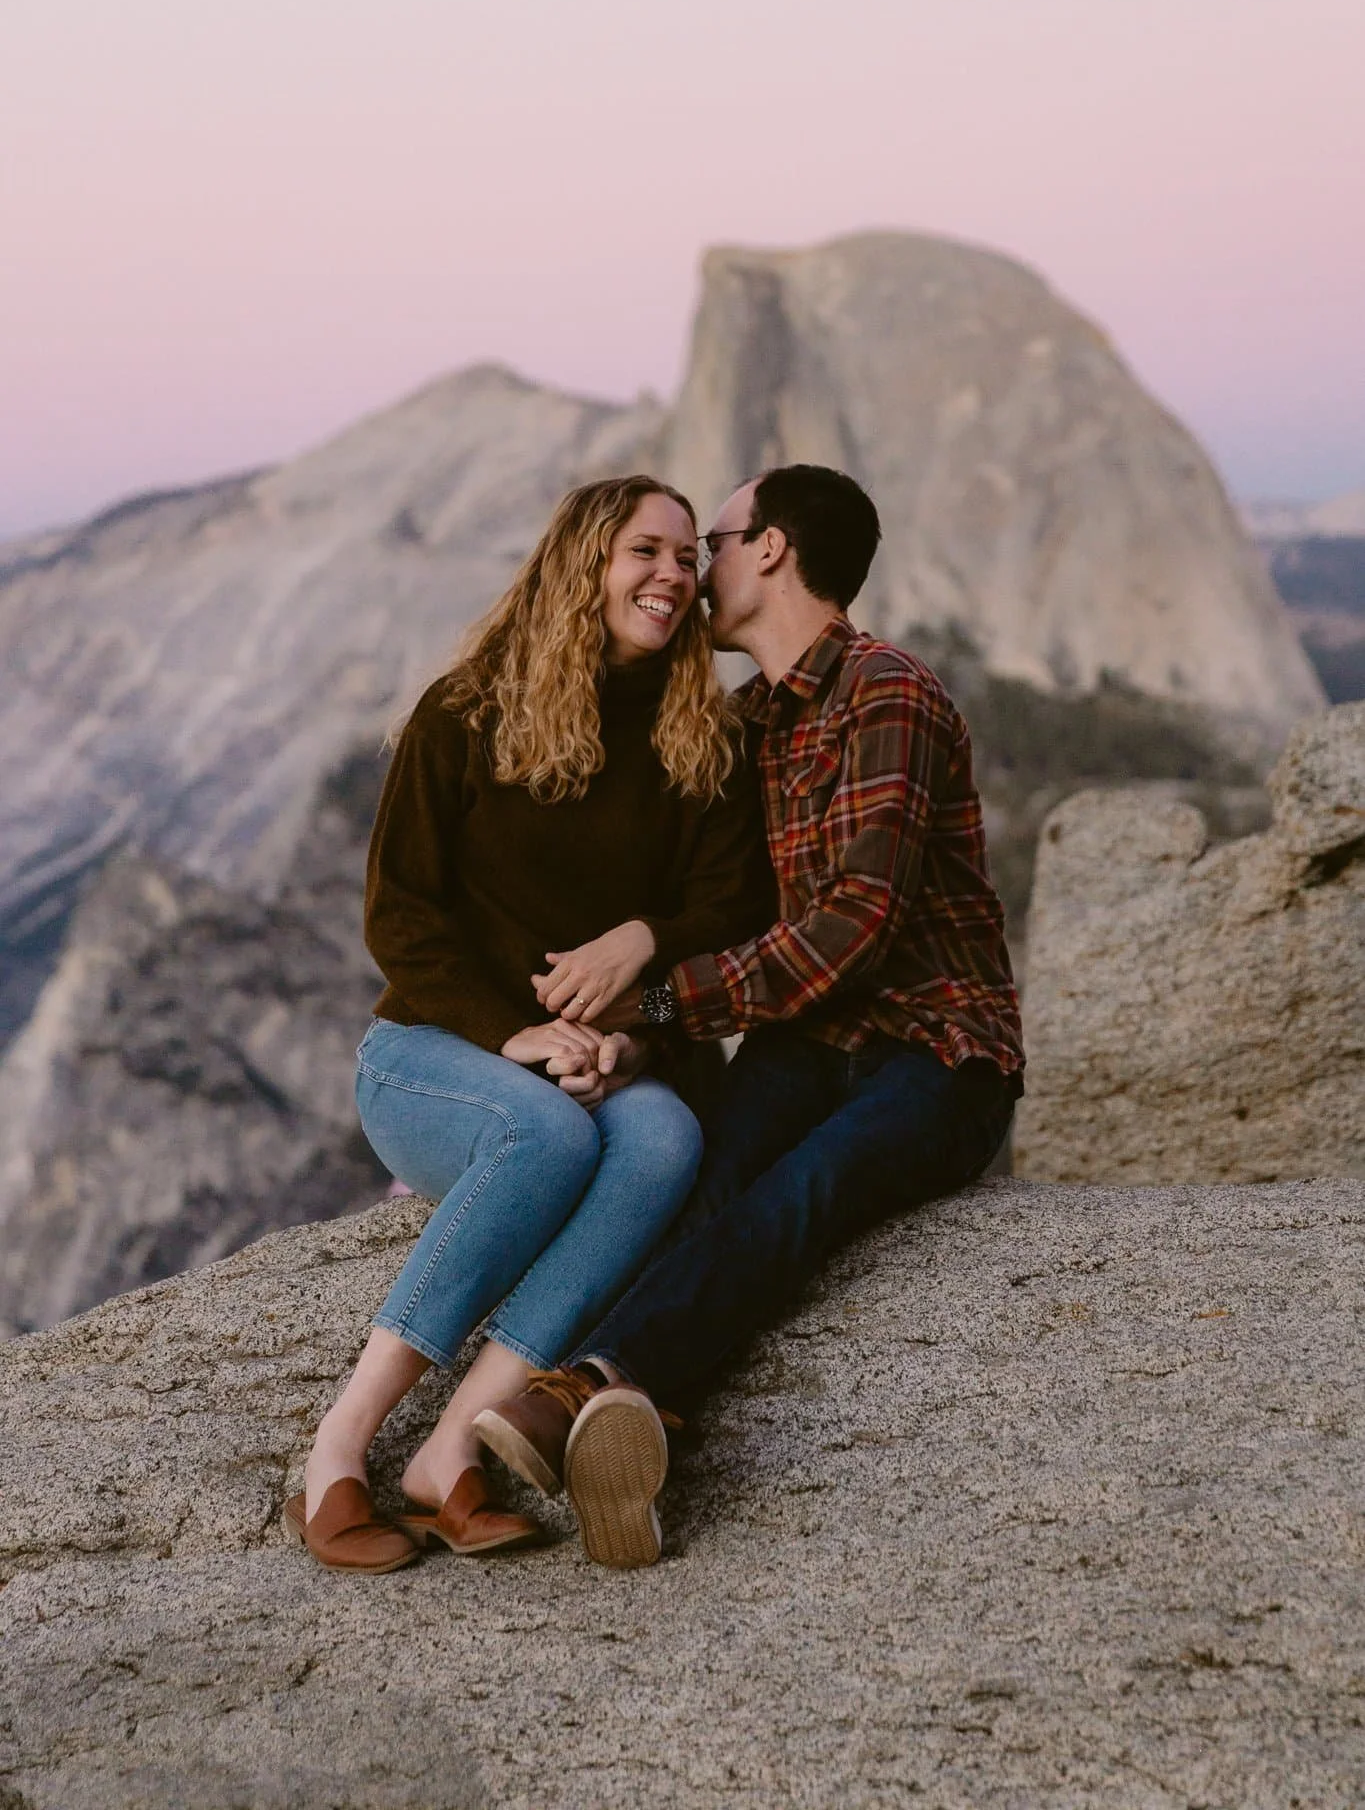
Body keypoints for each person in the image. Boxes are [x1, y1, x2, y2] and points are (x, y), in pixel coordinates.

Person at [474, 463, 1026, 1568]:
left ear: (769, 548)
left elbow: (852, 928)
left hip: (937, 1049)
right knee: (700, 1185)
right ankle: (643, 1428)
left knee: (802, 1192)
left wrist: (664, 996)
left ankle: (584, 1387)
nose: (692, 571)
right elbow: (705, 905)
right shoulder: (738, 725)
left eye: (710, 542)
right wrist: (615, 1014)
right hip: (800, 1045)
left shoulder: (889, 694)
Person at [284, 475, 773, 1573]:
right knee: (543, 1132)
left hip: (610, 1055)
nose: (673, 575)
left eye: (690, 556)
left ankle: (453, 1446)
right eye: (646, 548)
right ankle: (340, 1447)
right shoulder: (465, 714)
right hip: (433, 1054)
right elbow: (399, 918)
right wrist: (519, 1034)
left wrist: (631, 1018)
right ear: (581, 562)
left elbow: (730, 911)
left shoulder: (704, 743)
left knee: (665, 1138)